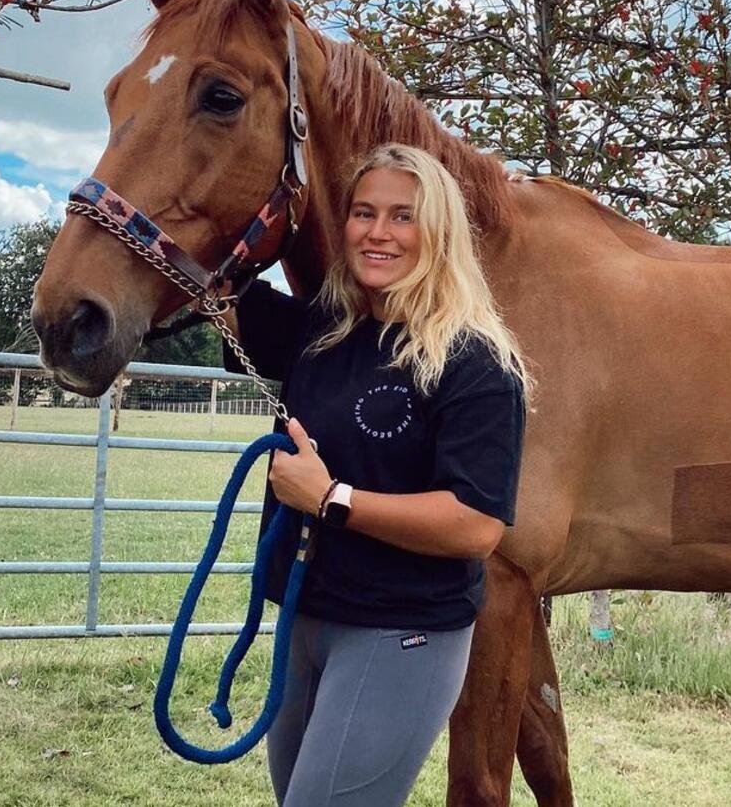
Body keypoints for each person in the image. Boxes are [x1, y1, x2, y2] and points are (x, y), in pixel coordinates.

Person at [219, 143, 532, 807]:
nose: (378, 232)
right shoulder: (324, 331)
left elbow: (475, 525)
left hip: (401, 635)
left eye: (402, 216)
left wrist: (331, 499)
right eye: (364, 213)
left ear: (438, 232)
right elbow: (203, 276)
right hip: (308, 620)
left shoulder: (475, 364)